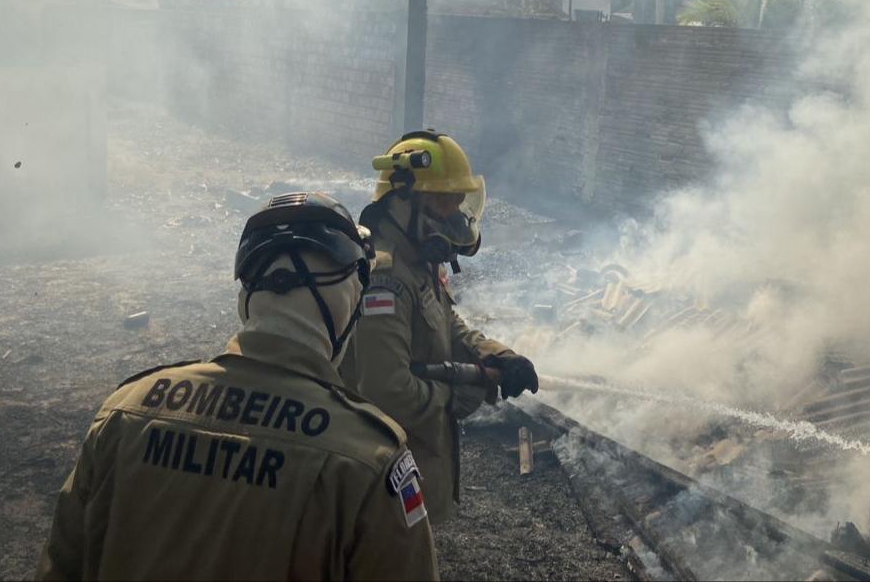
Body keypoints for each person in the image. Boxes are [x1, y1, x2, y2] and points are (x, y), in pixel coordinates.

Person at [36, 192, 439, 581]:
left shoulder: (125, 412)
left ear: (247, 297)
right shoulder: (368, 460)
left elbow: (61, 567)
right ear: (347, 305)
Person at [340, 130, 540, 525]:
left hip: (415, 470)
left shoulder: (418, 260)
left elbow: (447, 322)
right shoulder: (386, 278)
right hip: (382, 486)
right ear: (402, 202)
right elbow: (387, 391)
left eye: (456, 203)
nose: (452, 217)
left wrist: (496, 354)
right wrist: (459, 394)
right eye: (441, 203)